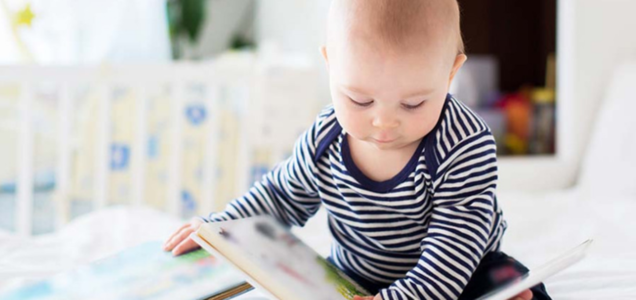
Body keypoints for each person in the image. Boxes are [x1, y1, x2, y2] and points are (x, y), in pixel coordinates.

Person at [164, 1, 550, 299]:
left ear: (451, 72)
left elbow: (454, 245)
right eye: (359, 100)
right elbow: (279, 197)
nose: (383, 122)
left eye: (413, 104)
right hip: (354, 273)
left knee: (506, 280)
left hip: (459, 273)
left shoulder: (464, 144)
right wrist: (221, 229)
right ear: (330, 64)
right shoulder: (326, 138)